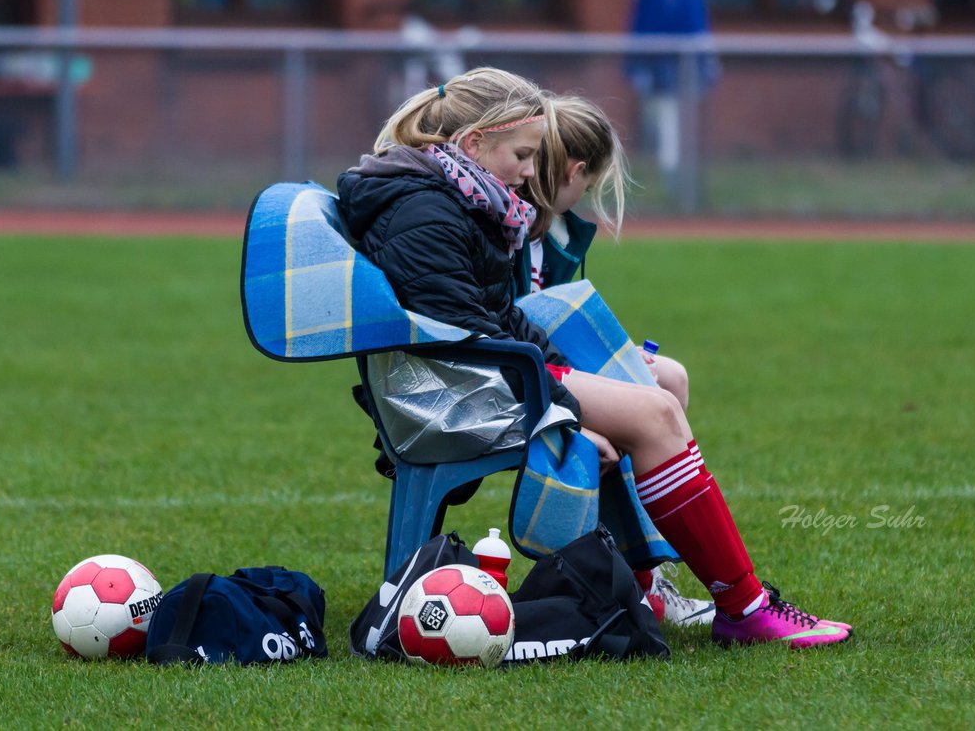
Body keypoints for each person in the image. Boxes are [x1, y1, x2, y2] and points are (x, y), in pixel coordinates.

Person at [338, 67, 850, 648]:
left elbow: (495, 323)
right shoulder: (424, 210)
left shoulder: (447, 197)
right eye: (524, 155)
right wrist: (563, 414)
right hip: (450, 397)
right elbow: (469, 340)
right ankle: (745, 608)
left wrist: (569, 381)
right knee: (655, 415)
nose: (532, 172)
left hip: (476, 375)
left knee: (654, 389)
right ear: (474, 144)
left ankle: (648, 584)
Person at [516, 94, 709, 626]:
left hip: (541, 371)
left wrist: (620, 360)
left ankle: (644, 576)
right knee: (649, 403)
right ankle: (639, 578)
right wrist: (574, 412)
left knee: (668, 375)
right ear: (576, 171)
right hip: (512, 383)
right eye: (591, 185)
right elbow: (509, 335)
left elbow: (555, 324)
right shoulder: (504, 222)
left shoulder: (554, 234)